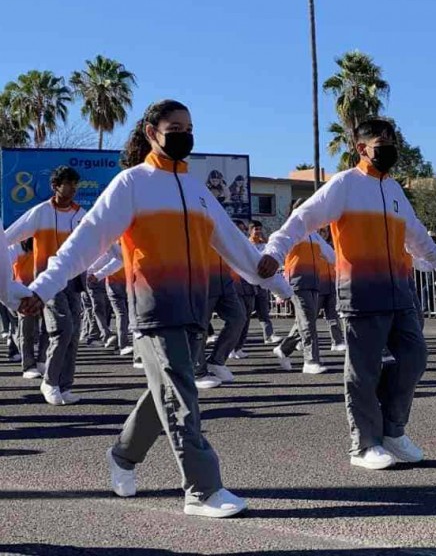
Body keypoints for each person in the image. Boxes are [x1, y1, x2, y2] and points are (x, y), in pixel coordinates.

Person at [19, 99, 290, 518]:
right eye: (175, 127)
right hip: (152, 308)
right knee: (182, 396)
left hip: (194, 309)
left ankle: (123, 456)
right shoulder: (132, 184)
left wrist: (275, 280)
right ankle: (203, 489)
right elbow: (83, 243)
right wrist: (41, 287)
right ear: (151, 132)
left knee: (166, 390)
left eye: (189, 126)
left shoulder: (198, 191)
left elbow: (236, 248)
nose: (184, 133)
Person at [260, 118, 436, 470]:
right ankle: (363, 443)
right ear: (362, 148)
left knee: (415, 356)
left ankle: (392, 431)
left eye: (393, 140)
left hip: (400, 291)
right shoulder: (345, 185)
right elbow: (302, 218)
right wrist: (274, 251)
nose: (390, 147)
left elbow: (418, 236)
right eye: (383, 142)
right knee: (363, 370)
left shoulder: (394, 190)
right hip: (360, 291)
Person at [6, 166, 86, 406]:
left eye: (75, 184)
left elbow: (97, 243)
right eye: (68, 183)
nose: (72, 188)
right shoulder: (40, 213)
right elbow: (9, 236)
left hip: (74, 281)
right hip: (48, 282)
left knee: (73, 334)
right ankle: (50, 382)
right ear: (55, 186)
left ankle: (65, 385)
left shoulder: (81, 214)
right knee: (63, 330)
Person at [273, 198, 336, 374]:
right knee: (308, 320)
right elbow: (275, 248)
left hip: (315, 282)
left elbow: (332, 257)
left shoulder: (314, 235)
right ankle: (310, 360)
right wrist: (276, 284)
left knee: (306, 319)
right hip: (297, 281)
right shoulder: (290, 231)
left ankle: (284, 348)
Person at [195, 254, 246, 387]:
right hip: (200, 279)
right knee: (200, 326)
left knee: (238, 318)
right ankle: (198, 372)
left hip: (225, 280)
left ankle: (216, 361)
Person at [9, 238, 42, 378]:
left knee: (47, 329)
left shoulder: (43, 242)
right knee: (25, 331)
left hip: (43, 290)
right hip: (22, 293)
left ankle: (42, 361)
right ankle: (28, 365)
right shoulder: (16, 245)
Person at [249, 221, 280, 345]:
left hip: (262, 282)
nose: (258, 231)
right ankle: (237, 343)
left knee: (264, 311)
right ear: (250, 231)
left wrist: (266, 241)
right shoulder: (247, 244)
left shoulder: (263, 244)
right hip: (249, 282)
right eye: (256, 229)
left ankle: (269, 335)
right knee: (245, 313)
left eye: (260, 229)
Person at [229, 219, 256, 360]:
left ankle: (239, 347)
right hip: (234, 285)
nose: (242, 232)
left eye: (244, 229)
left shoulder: (247, 245)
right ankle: (231, 347)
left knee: (246, 319)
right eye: (239, 229)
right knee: (238, 318)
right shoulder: (226, 245)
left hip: (249, 286)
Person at [317, 226, 346, 352]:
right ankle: (296, 341)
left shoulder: (332, 246)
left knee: (333, 315)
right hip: (316, 286)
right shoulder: (313, 246)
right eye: (321, 231)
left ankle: (337, 341)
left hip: (331, 285)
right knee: (308, 318)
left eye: (325, 231)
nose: (324, 233)